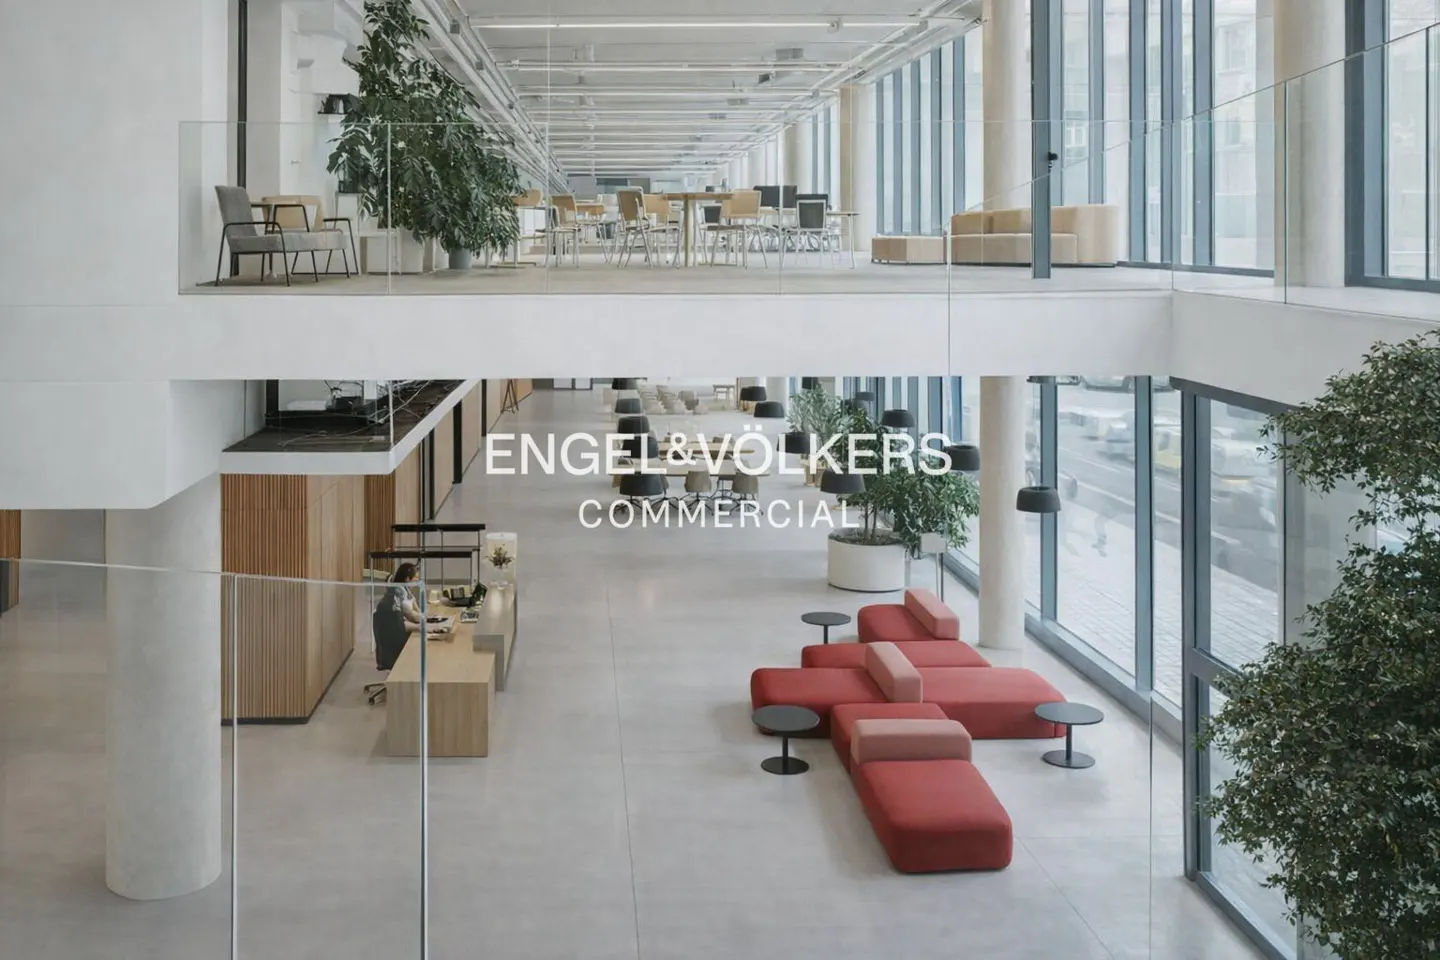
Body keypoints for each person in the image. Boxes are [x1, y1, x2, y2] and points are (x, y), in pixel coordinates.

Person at [386, 562, 424, 633]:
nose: (417, 580)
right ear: (407, 578)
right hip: (395, 632)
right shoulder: (399, 591)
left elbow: (416, 608)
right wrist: (423, 621)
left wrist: (424, 618)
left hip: (404, 629)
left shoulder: (405, 589)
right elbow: (409, 613)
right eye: (416, 578)